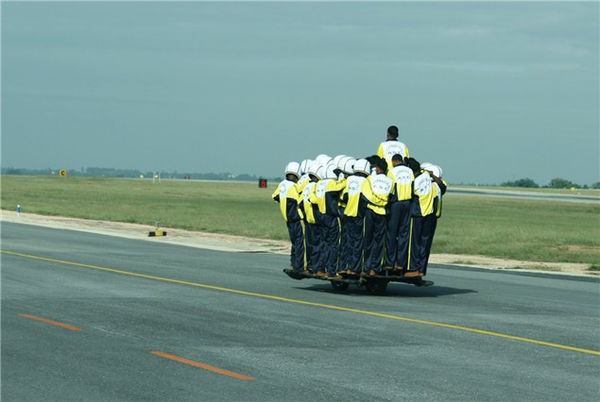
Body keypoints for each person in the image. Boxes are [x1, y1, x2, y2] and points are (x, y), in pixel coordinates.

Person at [405, 158, 445, 277]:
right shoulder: (439, 186)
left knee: (416, 243)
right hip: (432, 217)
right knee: (425, 244)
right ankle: (421, 269)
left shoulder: (423, 183)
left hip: (420, 215)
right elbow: (442, 186)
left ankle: (414, 268)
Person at [311, 163, 346, 278]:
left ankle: (320, 268)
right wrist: (343, 176)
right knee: (333, 245)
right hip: (330, 217)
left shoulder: (318, 184)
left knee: (323, 243)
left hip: (320, 216)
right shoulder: (331, 183)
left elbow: (312, 198)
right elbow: (341, 186)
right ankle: (331, 271)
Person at [361, 157, 393, 276]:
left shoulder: (370, 179)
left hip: (371, 211)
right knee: (379, 241)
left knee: (368, 240)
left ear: (378, 169)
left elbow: (365, 195)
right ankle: (374, 268)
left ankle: (366, 267)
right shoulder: (391, 181)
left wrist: (374, 201)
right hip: (383, 212)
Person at [338, 158, 370, 276]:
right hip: (359, 215)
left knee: (346, 241)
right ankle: (354, 268)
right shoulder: (366, 181)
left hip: (347, 213)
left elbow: (344, 196)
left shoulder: (349, 179)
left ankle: (343, 266)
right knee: (357, 242)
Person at [272, 162, 304, 273]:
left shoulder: (282, 184)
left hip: (287, 218)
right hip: (294, 217)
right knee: (299, 241)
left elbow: (275, 196)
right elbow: (300, 200)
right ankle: (298, 265)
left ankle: (293, 262)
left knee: (294, 241)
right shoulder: (294, 186)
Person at [385, 154, 414, 273]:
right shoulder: (410, 171)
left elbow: (389, 189)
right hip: (407, 203)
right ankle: (401, 263)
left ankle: (390, 262)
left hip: (396, 204)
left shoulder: (392, 172)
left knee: (392, 234)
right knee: (404, 234)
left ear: (394, 162)